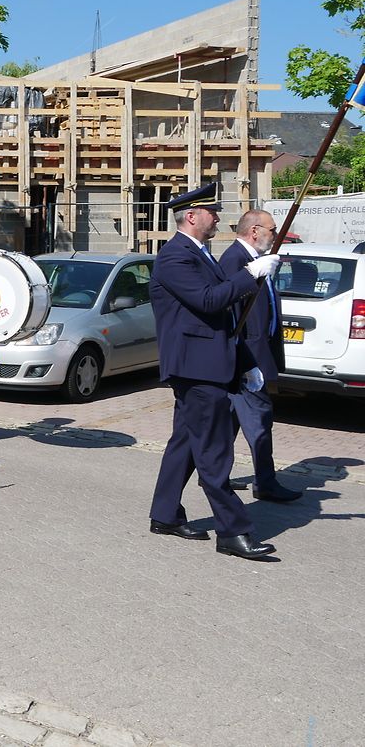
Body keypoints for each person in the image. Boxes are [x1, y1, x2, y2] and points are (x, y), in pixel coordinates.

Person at [148, 182, 281, 560]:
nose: (219, 218)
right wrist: (251, 273)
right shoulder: (175, 257)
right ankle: (232, 531)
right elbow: (209, 301)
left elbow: (226, 317)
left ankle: (165, 514)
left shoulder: (201, 254)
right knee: (214, 452)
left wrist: (245, 364)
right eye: (213, 212)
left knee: (187, 443)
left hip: (208, 364)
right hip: (196, 368)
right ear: (192, 216)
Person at [219, 209, 303, 503]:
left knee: (229, 422)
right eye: (272, 229)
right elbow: (231, 314)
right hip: (246, 358)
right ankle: (265, 482)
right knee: (260, 419)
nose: (275, 234)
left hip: (254, 354)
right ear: (254, 230)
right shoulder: (235, 260)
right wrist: (243, 361)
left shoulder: (255, 259)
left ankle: (216, 475)